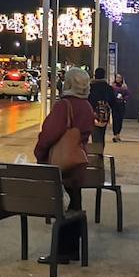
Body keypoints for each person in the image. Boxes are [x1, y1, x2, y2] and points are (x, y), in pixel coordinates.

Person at [33, 67, 95, 265]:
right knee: (75, 203)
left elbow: (49, 133)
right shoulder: (86, 106)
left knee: (62, 205)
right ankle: (72, 249)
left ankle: (60, 251)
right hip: (77, 162)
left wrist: (40, 153)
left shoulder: (64, 105)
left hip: (61, 164)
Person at [87, 68, 117, 152]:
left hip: (93, 113)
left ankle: (97, 153)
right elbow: (113, 101)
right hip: (104, 115)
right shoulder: (108, 88)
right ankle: (100, 152)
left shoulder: (90, 87)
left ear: (95, 75)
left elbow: (87, 100)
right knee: (101, 133)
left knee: (95, 134)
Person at [110, 73, 129, 142]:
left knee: (120, 120)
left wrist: (123, 98)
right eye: (117, 77)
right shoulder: (112, 86)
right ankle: (115, 134)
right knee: (115, 119)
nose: (118, 79)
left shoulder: (124, 86)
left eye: (119, 78)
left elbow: (127, 95)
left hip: (121, 104)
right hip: (115, 104)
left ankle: (118, 134)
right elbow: (110, 94)